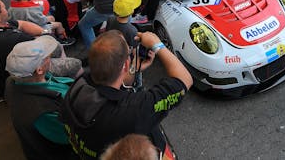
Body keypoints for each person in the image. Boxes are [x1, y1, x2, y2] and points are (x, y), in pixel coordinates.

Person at [60, 30, 193, 158]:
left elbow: (112, 83)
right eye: (129, 51)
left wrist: (133, 68)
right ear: (125, 65)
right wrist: (157, 45)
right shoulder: (134, 110)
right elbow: (184, 80)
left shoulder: (77, 87)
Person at [0, 0, 81, 98]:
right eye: (4, 7)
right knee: (74, 63)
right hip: (18, 83)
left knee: (55, 47)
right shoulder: (9, 39)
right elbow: (45, 49)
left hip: (7, 75)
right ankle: (78, 89)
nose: (7, 9)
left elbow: (21, 24)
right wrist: (49, 33)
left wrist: (44, 31)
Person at [4, 36, 75, 160]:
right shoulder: (42, 113)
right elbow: (69, 137)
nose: (50, 55)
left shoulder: (11, 81)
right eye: (47, 56)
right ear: (39, 69)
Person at [7, 0, 74, 45]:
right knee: (58, 24)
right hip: (36, 28)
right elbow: (41, 21)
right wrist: (48, 18)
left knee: (52, 20)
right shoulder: (31, 9)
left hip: (23, 30)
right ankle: (61, 40)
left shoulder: (11, 8)